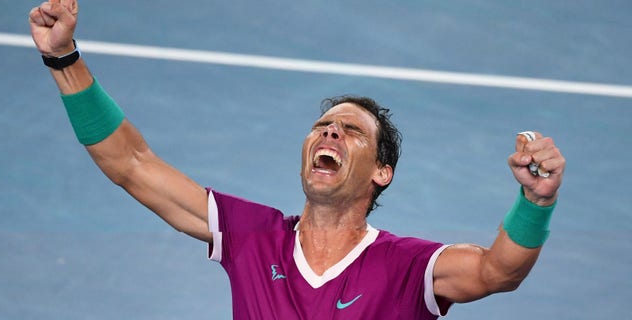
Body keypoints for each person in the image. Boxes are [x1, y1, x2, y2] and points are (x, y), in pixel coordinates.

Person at [29, 1, 566, 319]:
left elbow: (498, 273)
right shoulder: (251, 235)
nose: (330, 129)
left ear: (382, 173)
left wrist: (535, 202)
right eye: (323, 125)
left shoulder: (410, 268)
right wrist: (63, 58)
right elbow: (131, 163)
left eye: (351, 130)